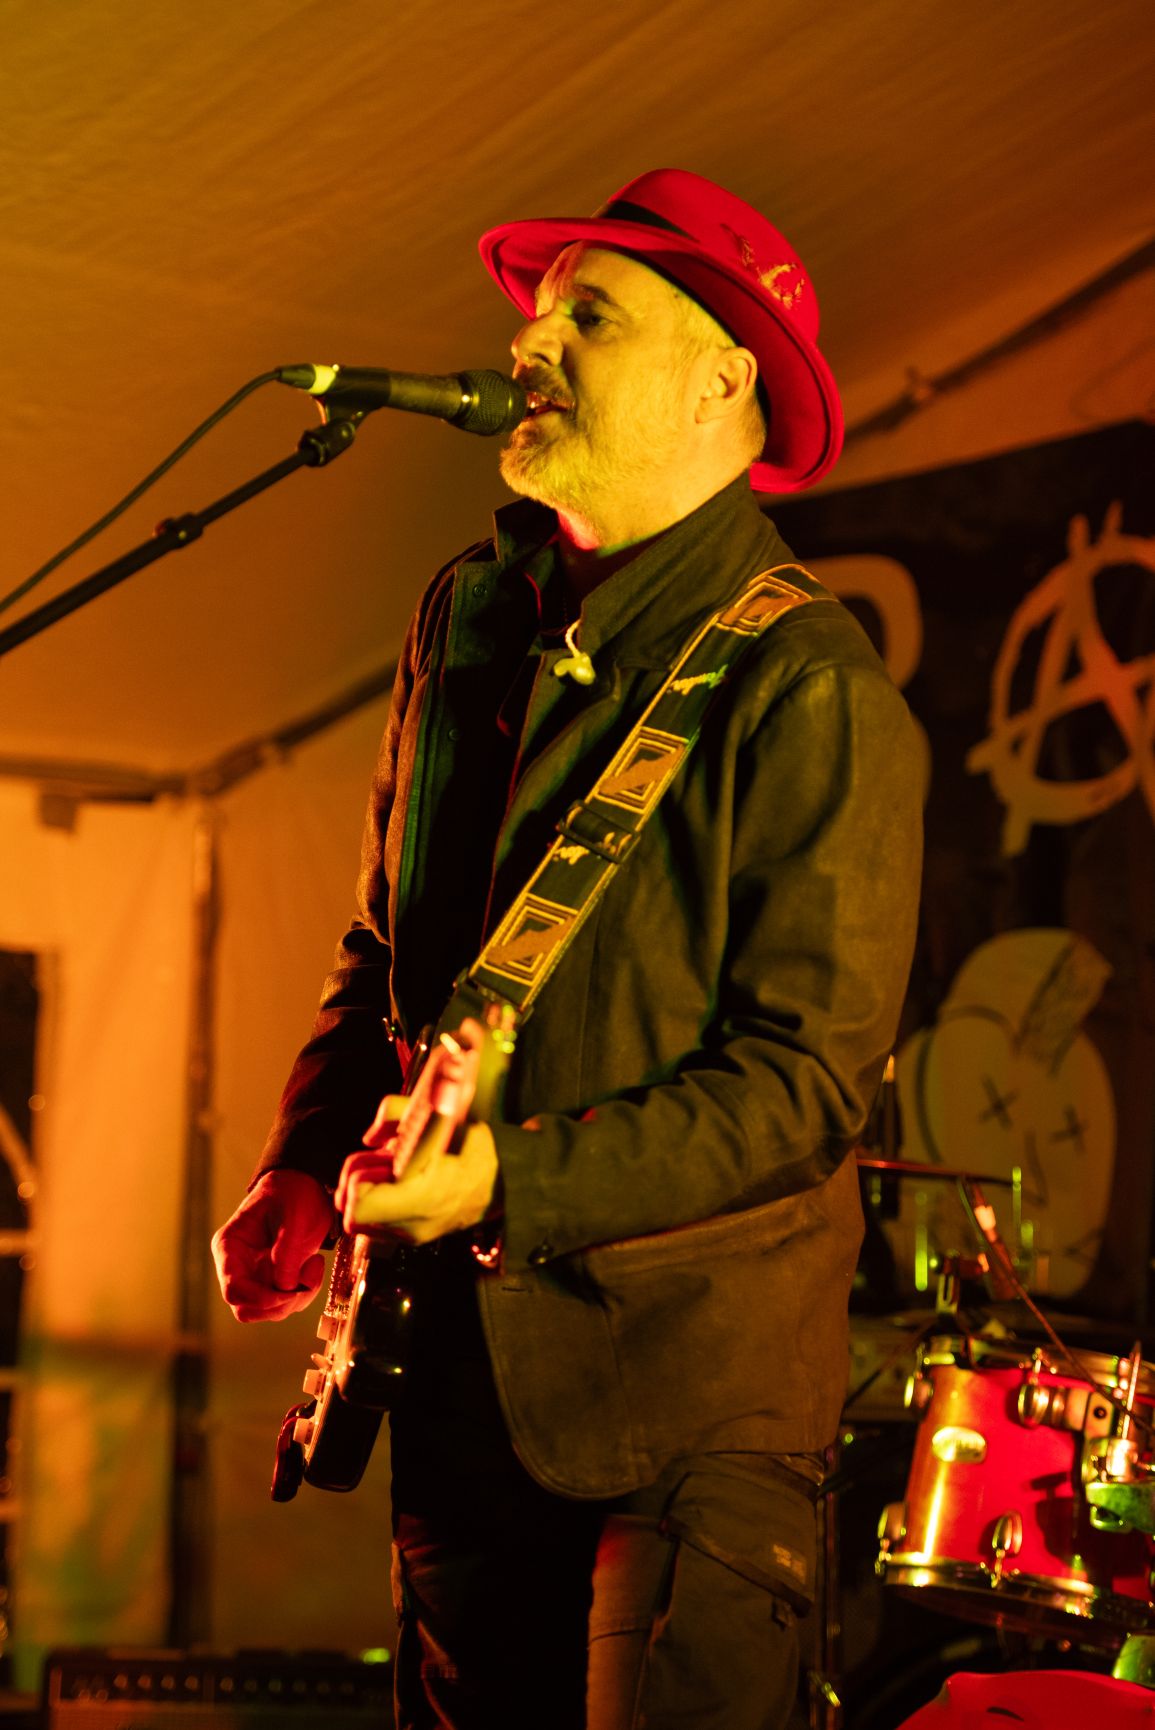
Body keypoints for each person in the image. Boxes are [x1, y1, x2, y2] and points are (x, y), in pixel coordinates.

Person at [213, 168, 923, 1730]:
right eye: (538, 314)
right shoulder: (470, 615)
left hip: (690, 1409)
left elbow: (803, 1087)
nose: (529, 346)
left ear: (720, 380)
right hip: (457, 1382)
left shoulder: (812, 685)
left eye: (587, 316)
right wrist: (305, 1156)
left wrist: (506, 1183)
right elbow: (387, 941)